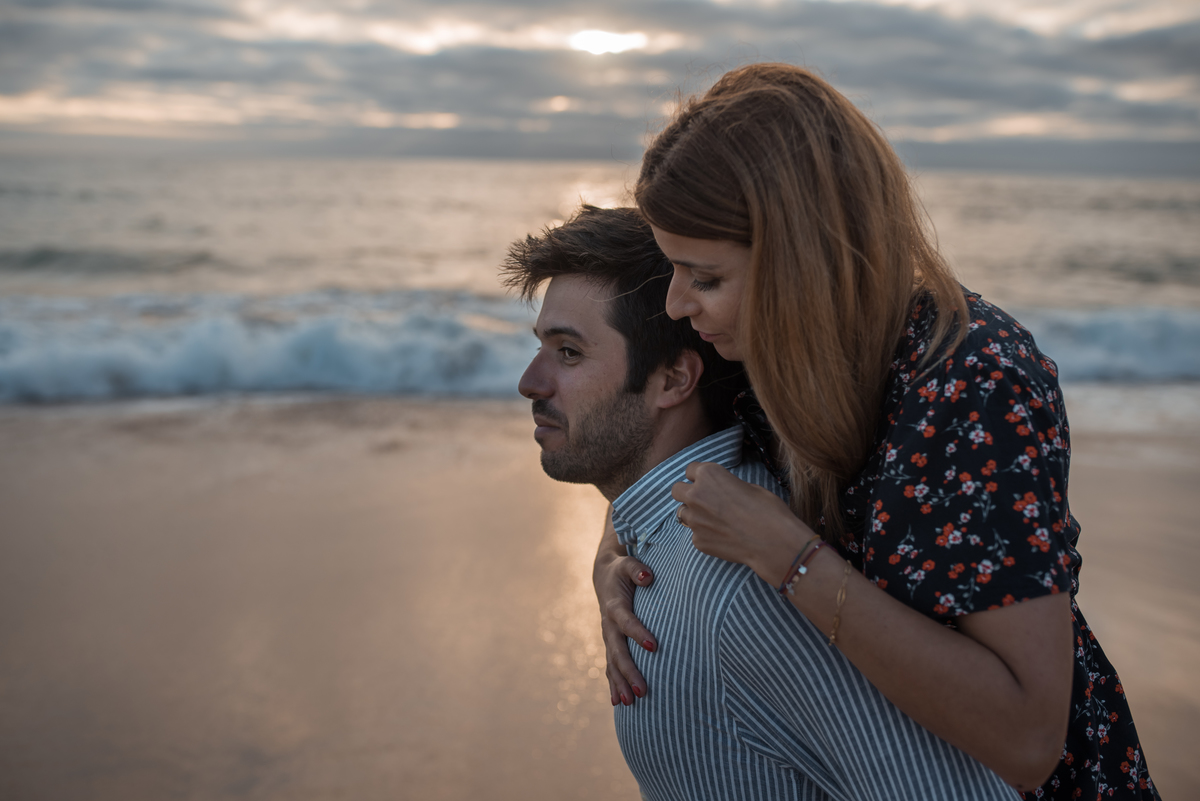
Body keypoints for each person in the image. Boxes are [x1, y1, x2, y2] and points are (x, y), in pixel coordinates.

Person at [593, 63, 1159, 800]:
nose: (676, 305)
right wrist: (614, 565)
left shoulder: (973, 383)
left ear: (802, 260)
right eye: (676, 271)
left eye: (704, 277)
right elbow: (656, 459)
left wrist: (792, 559)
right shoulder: (755, 350)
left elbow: (1028, 737)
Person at [503, 204, 1019, 801]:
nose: (529, 382)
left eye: (568, 353)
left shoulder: (738, 589)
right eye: (543, 346)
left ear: (674, 380)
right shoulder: (664, 541)